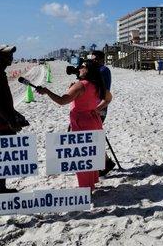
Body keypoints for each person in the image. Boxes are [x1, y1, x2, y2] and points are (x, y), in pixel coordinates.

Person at [36, 59, 112, 190]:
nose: (79, 68)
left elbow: (62, 101)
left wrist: (47, 91)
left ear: (88, 70)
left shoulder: (80, 85)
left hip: (82, 122)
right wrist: (96, 109)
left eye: (82, 66)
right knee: (90, 155)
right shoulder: (96, 84)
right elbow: (108, 98)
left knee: (81, 158)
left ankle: (86, 187)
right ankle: (92, 182)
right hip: (94, 120)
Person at [0, 44, 21, 194]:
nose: (11, 58)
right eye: (8, 55)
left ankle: (1, 187)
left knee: (4, 156)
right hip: (1, 122)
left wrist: (14, 113)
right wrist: (10, 120)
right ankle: (0, 189)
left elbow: (1, 100)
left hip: (2, 120)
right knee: (3, 157)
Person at [89, 50, 116, 176]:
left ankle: (106, 163)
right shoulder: (97, 70)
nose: (92, 61)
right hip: (95, 105)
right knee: (94, 135)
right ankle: (105, 162)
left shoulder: (104, 70)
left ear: (100, 59)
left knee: (95, 136)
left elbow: (103, 89)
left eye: (94, 59)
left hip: (100, 106)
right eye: (92, 59)